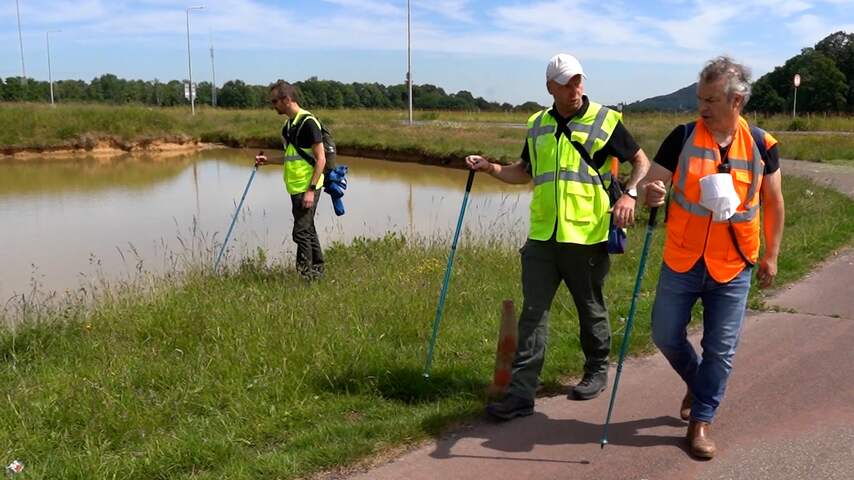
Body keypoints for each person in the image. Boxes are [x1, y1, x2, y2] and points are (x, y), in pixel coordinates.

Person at [466, 53, 651, 420]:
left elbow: (641, 162)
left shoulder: (605, 120)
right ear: (550, 87)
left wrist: (630, 194)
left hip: (587, 234)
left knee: (590, 306)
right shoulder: (536, 125)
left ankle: (596, 369)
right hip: (542, 236)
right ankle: (521, 395)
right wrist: (489, 167)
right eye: (567, 83)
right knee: (532, 314)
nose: (575, 89)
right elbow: (524, 172)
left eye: (578, 81)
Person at [640, 56, 785, 459]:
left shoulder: (761, 144)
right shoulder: (682, 136)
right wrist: (650, 193)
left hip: (733, 264)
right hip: (683, 259)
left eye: (711, 100)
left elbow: (773, 203)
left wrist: (771, 255)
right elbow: (651, 182)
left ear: (736, 100)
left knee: (722, 349)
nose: (702, 107)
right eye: (700, 98)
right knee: (664, 335)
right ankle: (699, 381)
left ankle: (701, 421)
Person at [255, 80, 326, 279]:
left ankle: (306, 276)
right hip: (295, 188)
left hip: (308, 187)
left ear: (286, 100)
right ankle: (318, 271)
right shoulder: (288, 126)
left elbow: (321, 159)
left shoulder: (309, 123)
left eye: (274, 101)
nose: (273, 106)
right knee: (308, 228)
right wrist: (268, 161)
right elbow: (290, 157)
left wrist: (311, 190)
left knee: (300, 232)